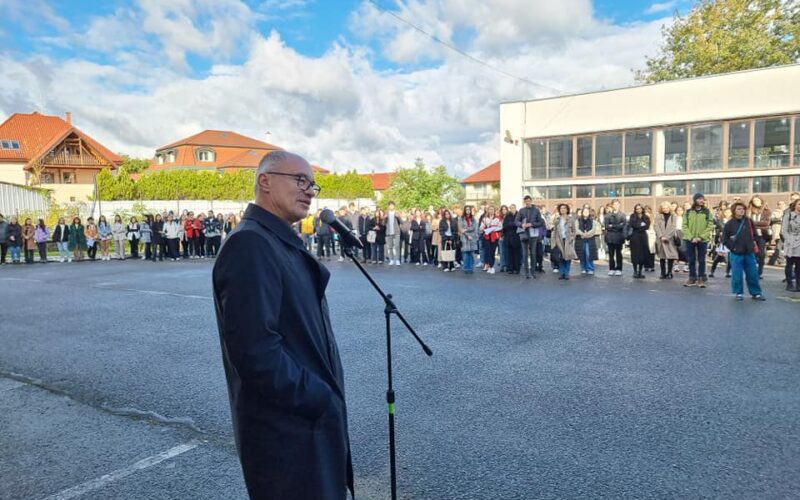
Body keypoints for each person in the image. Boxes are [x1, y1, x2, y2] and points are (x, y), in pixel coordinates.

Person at [212, 150, 352, 499]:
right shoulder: (251, 244)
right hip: (286, 434)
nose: (309, 190)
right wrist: (319, 398)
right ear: (265, 181)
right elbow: (256, 353)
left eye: (313, 184)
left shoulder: (276, 240)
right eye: (300, 180)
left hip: (306, 426)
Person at [723, 202, 765, 301]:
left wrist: (756, 246)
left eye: (742, 209)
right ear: (734, 210)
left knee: (752, 274)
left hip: (749, 252)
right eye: (739, 209)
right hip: (736, 253)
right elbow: (725, 239)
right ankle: (738, 293)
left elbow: (754, 235)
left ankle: (756, 293)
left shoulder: (749, 221)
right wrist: (733, 248)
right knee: (737, 275)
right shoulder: (729, 224)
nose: (741, 211)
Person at [682, 193, 714, 288]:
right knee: (691, 259)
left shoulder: (707, 212)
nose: (701, 201)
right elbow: (684, 226)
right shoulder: (688, 212)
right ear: (695, 200)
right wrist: (691, 237)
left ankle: (701, 277)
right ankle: (692, 277)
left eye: (703, 199)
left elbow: (710, 226)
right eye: (699, 199)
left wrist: (701, 237)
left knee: (702, 260)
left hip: (702, 240)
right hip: (690, 239)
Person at [515, 195, 544, 279]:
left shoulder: (536, 210)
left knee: (533, 253)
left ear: (531, 201)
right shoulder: (521, 210)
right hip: (524, 234)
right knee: (524, 254)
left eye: (529, 200)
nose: (528, 202)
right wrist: (522, 224)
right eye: (526, 201)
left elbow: (540, 222)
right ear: (524, 202)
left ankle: (533, 272)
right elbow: (516, 221)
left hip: (533, 234)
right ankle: (526, 272)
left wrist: (531, 224)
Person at [654, 201, 679, 279]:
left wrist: (667, 236)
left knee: (670, 256)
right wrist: (661, 236)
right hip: (660, 239)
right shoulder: (658, 216)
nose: (665, 209)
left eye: (666, 208)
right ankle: (662, 273)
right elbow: (656, 226)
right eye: (663, 208)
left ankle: (669, 272)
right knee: (662, 257)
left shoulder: (673, 216)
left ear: (669, 208)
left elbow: (673, 227)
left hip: (669, 239)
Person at [551, 204, 577, 280]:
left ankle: (566, 273)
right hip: (559, 240)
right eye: (561, 208)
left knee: (568, 257)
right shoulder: (557, 219)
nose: (562, 209)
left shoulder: (571, 219)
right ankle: (562, 273)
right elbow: (554, 230)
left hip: (568, 240)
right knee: (561, 257)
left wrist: (572, 238)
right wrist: (554, 240)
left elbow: (574, 230)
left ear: (567, 209)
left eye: (564, 208)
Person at [748, 195, 771, 278]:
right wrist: (757, 223)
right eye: (754, 201)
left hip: (762, 235)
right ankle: (752, 271)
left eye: (757, 200)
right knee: (752, 254)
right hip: (750, 235)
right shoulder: (748, 210)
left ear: (761, 201)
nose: (756, 202)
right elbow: (746, 222)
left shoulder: (766, 211)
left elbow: (766, 223)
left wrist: (753, 223)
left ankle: (759, 272)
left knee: (761, 254)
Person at [603, 199, 626, 276]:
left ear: (619, 205)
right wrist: (617, 226)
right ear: (612, 205)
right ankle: (611, 268)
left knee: (619, 253)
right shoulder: (607, 215)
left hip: (619, 237)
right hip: (610, 237)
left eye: (617, 204)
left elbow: (623, 225)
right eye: (614, 204)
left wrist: (612, 226)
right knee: (611, 254)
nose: (616, 206)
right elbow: (606, 226)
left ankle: (619, 268)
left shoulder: (622, 215)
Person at [781, 199, 800, 292]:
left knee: (799, 265)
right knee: (789, 264)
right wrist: (789, 240)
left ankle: (799, 285)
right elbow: (784, 231)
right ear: (795, 205)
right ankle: (789, 284)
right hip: (791, 243)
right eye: (799, 204)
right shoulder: (788, 216)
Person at [628, 204, 650, 279]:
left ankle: (640, 271)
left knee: (642, 254)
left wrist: (639, 226)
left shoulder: (645, 216)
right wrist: (641, 225)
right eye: (637, 209)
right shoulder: (632, 216)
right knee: (635, 253)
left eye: (640, 208)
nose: (638, 210)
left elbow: (647, 226)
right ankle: (635, 271)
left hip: (643, 237)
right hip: (635, 237)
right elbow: (632, 224)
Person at [709, 208, 732, 278]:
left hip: (731, 241)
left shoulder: (733, 221)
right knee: (718, 257)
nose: (728, 214)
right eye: (726, 212)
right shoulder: (720, 221)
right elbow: (717, 228)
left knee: (730, 258)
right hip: (723, 241)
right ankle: (712, 271)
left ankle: (728, 272)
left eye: (729, 212)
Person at [574, 207, 598, 275]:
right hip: (580, 239)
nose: (586, 213)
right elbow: (576, 229)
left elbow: (593, 230)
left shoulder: (593, 220)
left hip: (590, 240)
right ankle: (583, 268)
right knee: (582, 254)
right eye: (584, 211)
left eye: (587, 211)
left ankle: (590, 268)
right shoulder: (577, 220)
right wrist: (582, 234)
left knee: (589, 254)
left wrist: (586, 234)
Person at [479, 206, 502, 274]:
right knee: (487, 251)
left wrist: (494, 229)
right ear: (488, 210)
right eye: (490, 209)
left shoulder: (497, 219)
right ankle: (489, 266)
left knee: (492, 251)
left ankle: (492, 266)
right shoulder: (485, 218)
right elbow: (481, 227)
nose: (491, 211)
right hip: (487, 237)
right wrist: (483, 228)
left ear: (494, 211)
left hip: (494, 237)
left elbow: (500, 227)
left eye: (492, 209)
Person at [459, 206, 479, 274]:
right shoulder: (461, 218)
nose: (468, 211)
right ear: (464, 210)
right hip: (465, 238)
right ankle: (466, 268)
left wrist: (467, 229)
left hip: (472, 238)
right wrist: (467, 235)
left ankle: (471, 268)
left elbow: (474, 227)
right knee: (466, 254)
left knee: (471, 254)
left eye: (469, 210)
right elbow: (461, 229)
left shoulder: (473, 218)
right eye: (466, 209)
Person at [503, 204, 521, 274]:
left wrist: (511, 224)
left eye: (513, 208)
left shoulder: (519, 215)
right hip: (508, 237)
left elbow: (519, 224)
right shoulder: (507, 216)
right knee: (509, 254)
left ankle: (517, 269)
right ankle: (510, 269)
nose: (512, 209)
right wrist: (514, 224)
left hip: (517, 237)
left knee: (517, 254)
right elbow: (505, 226)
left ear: (516, 208)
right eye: (511, 208)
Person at [385, 201, 401, 266]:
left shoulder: (396, 213)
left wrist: (398, 217)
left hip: (396, 232)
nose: (391, 206)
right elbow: (383, 223)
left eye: (392, 205)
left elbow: (401, 222)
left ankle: (397, 260)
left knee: (397, 246)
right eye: (390, 205)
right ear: (388, 206)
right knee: (390, 247)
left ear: (394, 206)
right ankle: (391, 259)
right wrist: (384, 218)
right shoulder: (386, 213)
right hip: (389, 232)